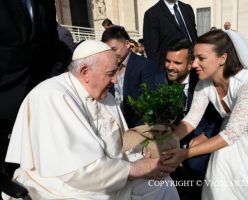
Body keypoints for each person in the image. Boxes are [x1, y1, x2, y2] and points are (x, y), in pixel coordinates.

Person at [2, 40, 179, 200]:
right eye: (110, 73)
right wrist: (137, 168)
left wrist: (143, 153)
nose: (115, 80)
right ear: (85, 72)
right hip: (61, 186)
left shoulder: (105, 95)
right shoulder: (52, 96)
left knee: (161, 184)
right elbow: (75, 170)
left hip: (108, 174)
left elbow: (117, 147)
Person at [162, 30, 248, 199]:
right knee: (219, 184)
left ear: (223, 58)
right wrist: (170, 140)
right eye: (194, 58)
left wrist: (185, 154)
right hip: (231, 136)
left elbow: (231, 134)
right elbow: (191, 119)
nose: (194, 64)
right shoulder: (204, 83)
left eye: (201, 58)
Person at [0, 0, 70, 183]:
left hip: (34, 107)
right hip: (3, 107)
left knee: (28, 176)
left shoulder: (45, 3)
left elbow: (53, 50)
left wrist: (45, 88)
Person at [163, 38, 222, 199]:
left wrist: (206, 135)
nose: (170, 67)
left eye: (177, 63)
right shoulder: (157, 81)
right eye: (168, 61)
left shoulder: (204, 80)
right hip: (173, 138)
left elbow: (219, 116)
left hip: (202, 138)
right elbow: (191, 118)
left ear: (190, 65)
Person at [102, 26, 156, 128]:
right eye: (107, 50)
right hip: (114, 124)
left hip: (138, 125)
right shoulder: (105, 67)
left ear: (127, 44)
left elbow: (150, 97)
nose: (111, 54)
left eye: (114, 49)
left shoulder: (144, 65)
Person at [143, 0, 197, 71]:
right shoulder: (152, 14)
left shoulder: (187, 9)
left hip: (194, 65)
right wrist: (163, 75)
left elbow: (194, 36)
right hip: (171, 71)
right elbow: (152, 52)